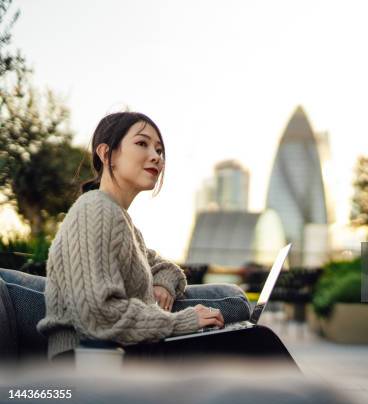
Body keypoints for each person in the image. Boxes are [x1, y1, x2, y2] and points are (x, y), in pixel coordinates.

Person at [36, 112, 296, 368]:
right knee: (253, 342)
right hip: (91, 360)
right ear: (107, 154)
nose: (156, 157)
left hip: (121, 350)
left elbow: (169, 269)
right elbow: (98, 316)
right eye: (142, 144)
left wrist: (162, 284)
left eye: (159, 150)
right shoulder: (95, 211)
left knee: (246, 340)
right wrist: (183, 321)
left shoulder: (120, 220)